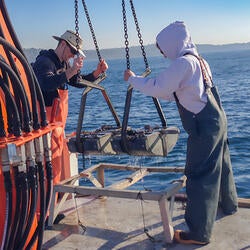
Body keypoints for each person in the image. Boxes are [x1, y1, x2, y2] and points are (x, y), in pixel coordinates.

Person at [124, 21, 238, 245]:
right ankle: (229, 204)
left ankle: (198, 234)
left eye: (162, 49)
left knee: (199, 173)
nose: (163, 54)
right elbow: (179, 92)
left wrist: (133, 79)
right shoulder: (199, 61)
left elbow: (159, 86)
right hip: (217, 119)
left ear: (172, 44)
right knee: (222, 165)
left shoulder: (183, 63)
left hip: (203, 126)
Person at [32, 30, 108, 186]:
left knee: (56, 164)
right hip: (43, 127)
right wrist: (72, 70)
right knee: (48, 166)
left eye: (76, 53)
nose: (73, 55)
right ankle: (51, 199)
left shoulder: (63, 64)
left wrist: (97, 73)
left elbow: (78, 81)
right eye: (73, 51)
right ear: (63, 44)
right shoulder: (44, 62)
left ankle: (57, 195)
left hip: (57, 126)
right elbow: (46, 83)